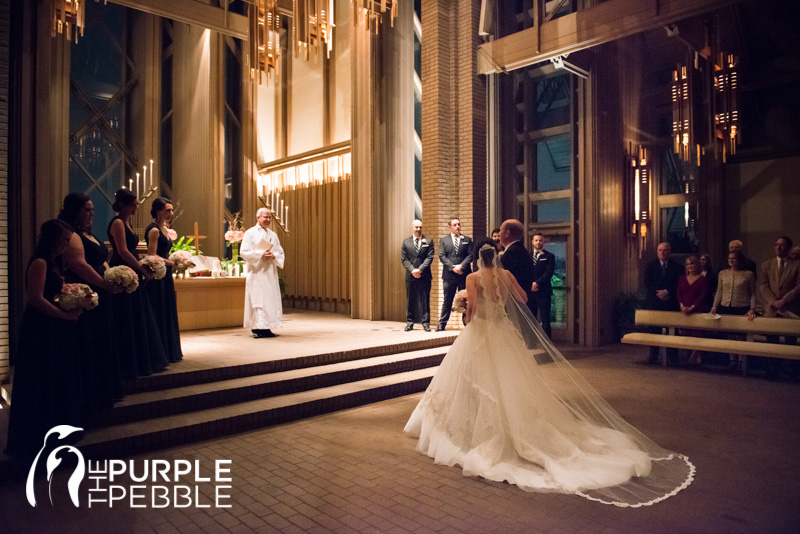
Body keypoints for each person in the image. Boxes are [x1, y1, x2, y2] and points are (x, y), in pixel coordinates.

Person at [404, 240, 694, 507]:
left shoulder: (473, 278)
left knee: (475, 379)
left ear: (479, 258)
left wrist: (465, 309)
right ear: (496, 256)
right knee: (510, 382)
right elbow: (522, 298)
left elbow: (475, 311)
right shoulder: (505, 276)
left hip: (481, 334)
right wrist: (501, 303)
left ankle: (473, 430)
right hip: (504, 333)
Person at [6, 220, 85, 458]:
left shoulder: (52, 261)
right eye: (63, 240)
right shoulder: (40, 262)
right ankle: (35, 436)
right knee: (40, 377)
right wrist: (64, 314)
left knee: (54, 376)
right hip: (41, 327)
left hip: (53, 325)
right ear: (51, 238)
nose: (66, 245)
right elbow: (36, 298)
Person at [59, 193, 124, 409]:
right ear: (74, 210)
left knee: (103, 340)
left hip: (100, 292)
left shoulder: (87, 234)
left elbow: (99, 261)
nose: (92, 213)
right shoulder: (73, 234)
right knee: (90, 342)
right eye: (87, 209)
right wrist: (104, 284)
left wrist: (111, 274)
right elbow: (79, 265)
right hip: (88, 293)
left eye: (93, 209)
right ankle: (92, 396)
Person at [108, 189, 169, 377]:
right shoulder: (118, 222)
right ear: (124, 205)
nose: (137, 207)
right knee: (127, 315)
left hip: (131, 267)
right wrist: (141, 268)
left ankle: (140, 359)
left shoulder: (127, 221)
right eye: (134, 204)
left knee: (138, 314)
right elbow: (123, 251)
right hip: (124, 267)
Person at [145, 198, 183, 362]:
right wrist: (172, 262)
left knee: (168, 309)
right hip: (158, 274)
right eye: (168, 210)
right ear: (158, 211)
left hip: (166, 274)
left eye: (171, 210)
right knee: (159, 309)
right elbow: (151, 254)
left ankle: (169, 350)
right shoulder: (154, 230)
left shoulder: (165, 229)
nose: (171, 213)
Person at [758, 236, 800, 378]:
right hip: (772, 308)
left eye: (782, 245)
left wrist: (784, 300)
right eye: (776, 245)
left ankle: (790, 369)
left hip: (790, 307)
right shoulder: (767, 265)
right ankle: (772, 368)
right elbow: (763, 285)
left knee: (790, 340)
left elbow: (798, 286)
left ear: (788, 248)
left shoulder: (797, 264)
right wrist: (773, 301)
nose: (778, 247)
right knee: (772, 340)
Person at [241, 208, 285, 338]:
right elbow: (244, 252)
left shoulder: (273, 235)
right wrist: (261, 254)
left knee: (269, 300)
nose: (267, 220)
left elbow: (280, 252)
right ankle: (257, 328)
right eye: (265, 217)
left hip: (269, 273)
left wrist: (273, 256)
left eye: (269, 217)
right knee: (257, 300)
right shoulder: (250, 233)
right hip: (256, 272)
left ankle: (266, 327)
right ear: (258, 218)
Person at [711, 250, 756, 370]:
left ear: (740, 260)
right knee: (730, 334)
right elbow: (719, 291)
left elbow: (753, 293)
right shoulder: (722, 273)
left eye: (734, 258)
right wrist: (714, 306)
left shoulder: (748, 274)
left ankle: (741, 360)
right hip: (726, 306)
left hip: (742, 306)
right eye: (729, 258)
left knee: (740, 335)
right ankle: (732, 360)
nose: (731, 260)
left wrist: (752, 308)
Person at [644, 242, 682, 364]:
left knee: (672, 330)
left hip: (670, 302)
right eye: (660, 250)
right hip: (655, 301)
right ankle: (654, 354)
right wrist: (659, 293)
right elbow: (647, 282)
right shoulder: (651, 265)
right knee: (654, 329)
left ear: (669, 252)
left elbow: (678, 283)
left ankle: (673, 356)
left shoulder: (677, 267)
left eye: (665, 250)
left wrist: (667, 292)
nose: (662, 252)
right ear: (657, 252)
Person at [436, 218, 473, 331]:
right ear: (449, 227)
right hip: (449, 276)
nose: (457, 227)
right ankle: (442, 324)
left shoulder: (467, 240)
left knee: (466, 301)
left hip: (464, 274)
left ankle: (467, 324)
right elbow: (442, 256)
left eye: (458, 224)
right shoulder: (444, 241)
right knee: (448, 300)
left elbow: (470, 255)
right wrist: (453, 267)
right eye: (455, 225)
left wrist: (461, 266)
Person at [401, 219, 435, 332]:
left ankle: (426, 323)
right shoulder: (406, 242)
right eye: (416, 227)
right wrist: (412, 270)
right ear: (412, 228)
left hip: (424, 275)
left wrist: (420, 269)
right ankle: (410, 323)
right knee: (411, 300)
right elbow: (404, 259)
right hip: (411, 277)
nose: (418, 229)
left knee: (425, 300)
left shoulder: (429, 241)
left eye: (420, 227)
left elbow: (430, 258)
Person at [498, 219, 536, 317]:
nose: (499, 235)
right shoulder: (520, 250)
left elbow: (509, 282)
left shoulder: (513, 253)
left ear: (507, 233)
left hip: (515, 307)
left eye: (500, 231)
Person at [677, 256, 709, 365]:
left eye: (692, 264)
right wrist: (682, 305)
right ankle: (691, 355)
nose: (690, 266)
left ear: (697, 265)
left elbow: (703, 295)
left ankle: (695, 355)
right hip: (684, 310)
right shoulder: (682, 278)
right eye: (688, 264)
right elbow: (679, 293)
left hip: (697, 309)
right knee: (687, 333)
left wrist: (692, 307)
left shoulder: (703, 279)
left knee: (697, 334)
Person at [530, 232, 556, 338]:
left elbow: (548, 272)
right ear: (532, 242)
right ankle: (532, 341)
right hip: (530, 291)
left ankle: (547, 343)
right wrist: (530, 284)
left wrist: (537, 283)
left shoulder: (549, 256)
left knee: (545, 318)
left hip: (543, 291)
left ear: (543, 242)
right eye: (536, 240)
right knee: (531, 317)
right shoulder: (528, 256)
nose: (538, 242)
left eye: (540, 240)